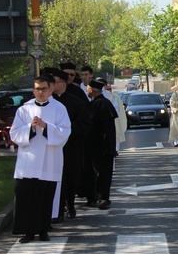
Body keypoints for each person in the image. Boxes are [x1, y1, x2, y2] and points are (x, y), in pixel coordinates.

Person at [10, 75, 71, 243]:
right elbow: (14, 133)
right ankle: (26, 232)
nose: (41, 92)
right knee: (25, 196)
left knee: (44, 196)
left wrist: (46, 127)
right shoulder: (24, 109)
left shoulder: (59, 108)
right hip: (28, 161)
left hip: (49, 161)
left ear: (50, 89)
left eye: (44, 89)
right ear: (33, 90)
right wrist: (30, 127)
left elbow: (65, 132)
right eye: (37, 89)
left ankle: (43, 230)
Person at [45, 67, 90, 221]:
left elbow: (84, 124)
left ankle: (70, 205)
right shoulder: (47, 103)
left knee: (70, 178)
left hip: (70, 148)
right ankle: (56, 209)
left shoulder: (76, 102)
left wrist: (65, 134)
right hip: (50, 148)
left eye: (54, 82)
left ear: (62, 84)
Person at [85, 78, 118, 210]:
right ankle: (96, 196)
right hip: (96, 146)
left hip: (102, 147)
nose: (87, 90)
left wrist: (107, 147)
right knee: (97, 173)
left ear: (92, 90)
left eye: (88, 88)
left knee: (103, 174)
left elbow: (107, 130)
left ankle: (103, 198)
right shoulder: (97, 103)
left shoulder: (102, 104)